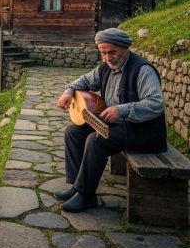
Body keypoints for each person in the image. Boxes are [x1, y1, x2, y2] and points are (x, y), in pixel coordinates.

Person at [55, 27, 167, 212]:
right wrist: (68, 92)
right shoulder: (105, 68)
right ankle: (77, 186)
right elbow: (82, 81)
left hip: (142, 131)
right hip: (117, 126)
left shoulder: (142, 70)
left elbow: (155, 104)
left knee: (96, 140)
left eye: (112, 52)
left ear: (125, 49)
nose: (107, 57)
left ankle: (86, 196)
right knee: (73, 132)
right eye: (103, 53)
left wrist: (121, 110)